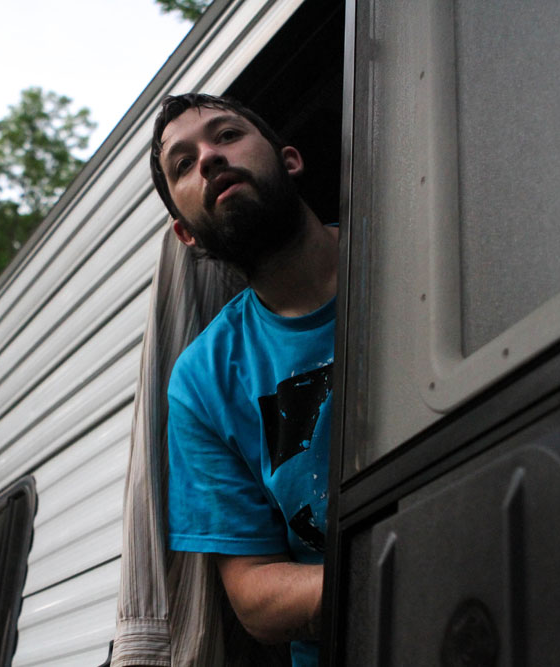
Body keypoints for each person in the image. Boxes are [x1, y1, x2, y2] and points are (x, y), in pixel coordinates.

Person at [150, 93, 338, 667]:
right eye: (183, 164)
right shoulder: (201, 382)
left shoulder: (417, 251)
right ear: (187, 235)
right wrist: (402, 562)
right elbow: (256, 597)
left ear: (289, 160)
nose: (208, 157)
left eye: (227, 135)